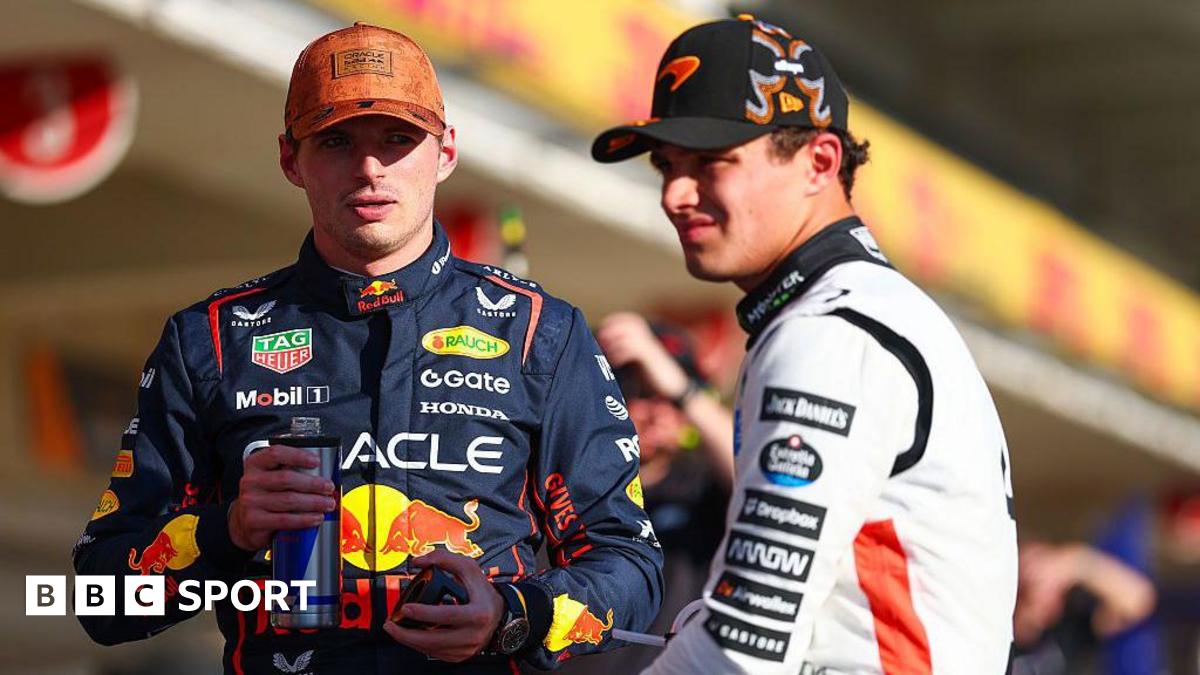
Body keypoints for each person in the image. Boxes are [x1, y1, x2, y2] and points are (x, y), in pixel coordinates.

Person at [73, 22, 662, 673]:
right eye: (336, 141)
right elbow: (100, 602)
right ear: (290, 159)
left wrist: (511, 614)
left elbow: (630, 567)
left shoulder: (537, 330)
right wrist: (228, 529)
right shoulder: (210, 339)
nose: (369, 168)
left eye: (397, 139)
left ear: (445, 152)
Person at [591, 14, 1017, 674]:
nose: (675, 194)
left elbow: (745, 644)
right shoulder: (867, 308)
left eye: (711, 162)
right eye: (666, 166)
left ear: (819, 162)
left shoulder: (827, 333)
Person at [1012, 540, 1157, 675]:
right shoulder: (1000, 624)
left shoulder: (1068, 630)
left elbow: (1139, 600)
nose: (1038, 578)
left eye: (1048, 577)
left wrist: (1077, 564)